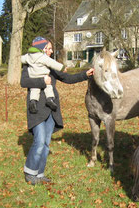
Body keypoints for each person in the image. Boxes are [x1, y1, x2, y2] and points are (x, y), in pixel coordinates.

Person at [20, 40, 94, 185]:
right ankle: (30, 172)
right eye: (48, 48)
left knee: (46, 143)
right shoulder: (29, 64)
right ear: (41, 49)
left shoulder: (51, 65)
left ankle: (39, 174)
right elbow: (24, 82)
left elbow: (68, 78)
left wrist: (85, 74)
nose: (51, 51)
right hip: (36, 109)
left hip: (51, 109)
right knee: (39, 141)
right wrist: (43, 81)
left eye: (51, 49)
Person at [21, 36, 66, 113]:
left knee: (34, 90)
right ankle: (50, 99)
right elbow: (53, 63)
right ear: (41, 47)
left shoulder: (28, 56)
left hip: (33, 77)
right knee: (48, 87)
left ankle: (33, 102)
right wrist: (62, 68)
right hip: (44, 76)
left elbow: (21, 59)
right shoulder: (43, 57)